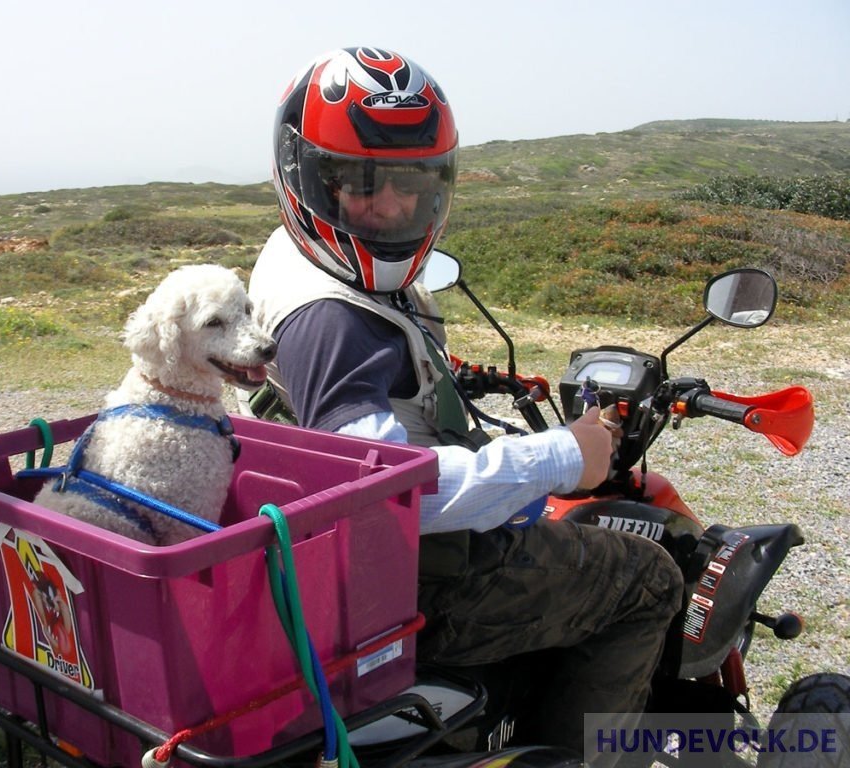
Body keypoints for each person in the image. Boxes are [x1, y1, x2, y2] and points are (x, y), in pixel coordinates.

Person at [243, 46, 684, 763]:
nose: (388, 207)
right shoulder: (330, 321)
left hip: (335, 566)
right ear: (306, 178)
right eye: (358, 182)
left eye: (411, 183)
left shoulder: (296, 260)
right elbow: (395, 496)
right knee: (647, 578)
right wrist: (564, 454)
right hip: (413, 588)